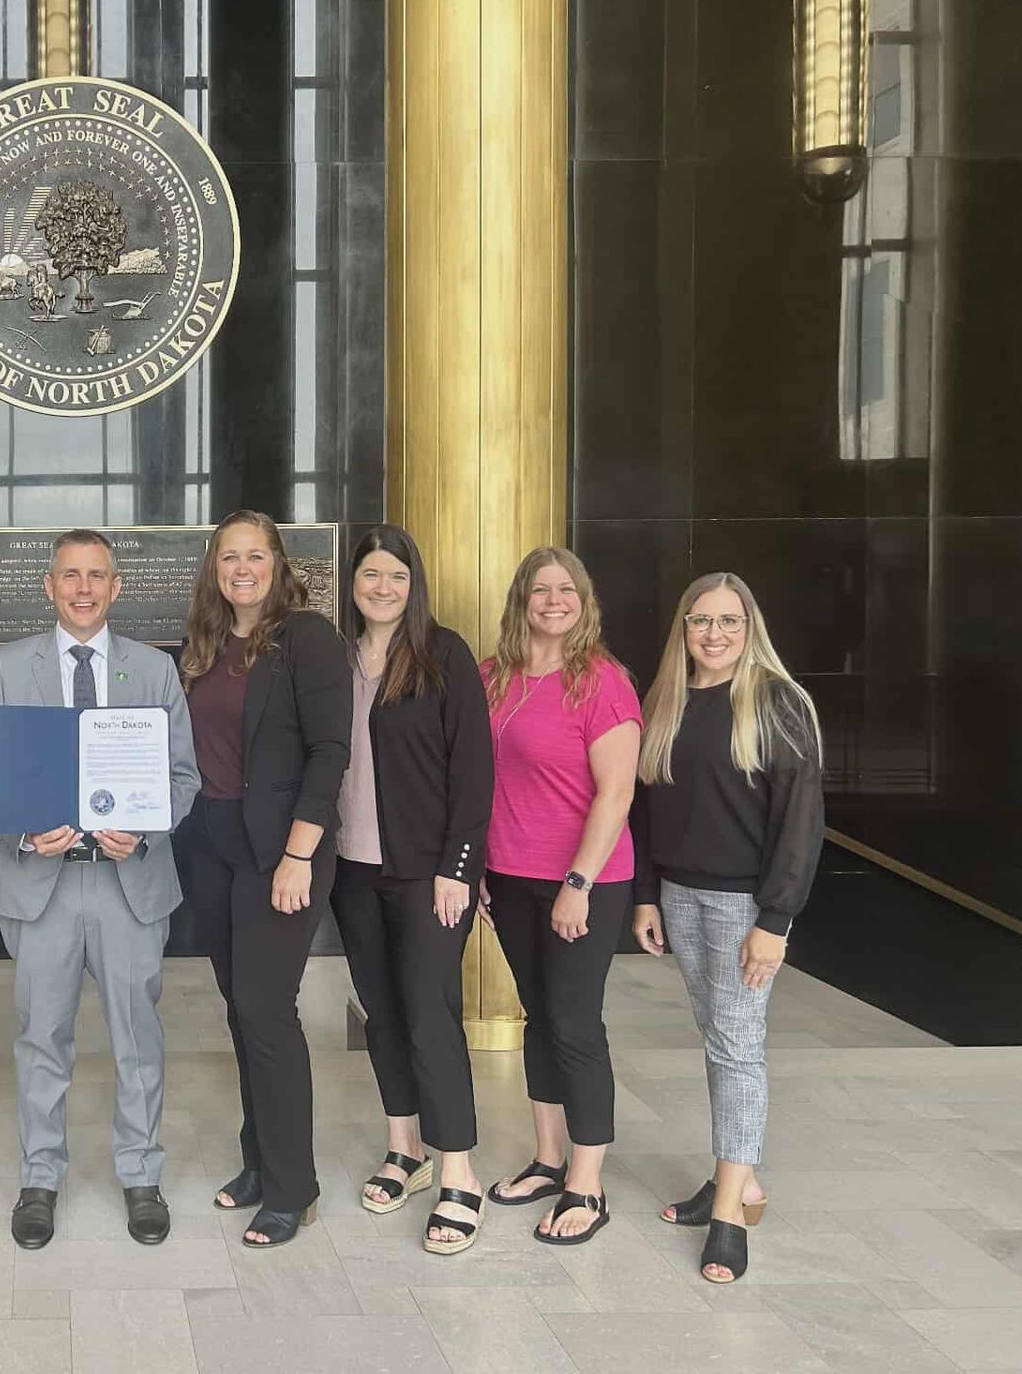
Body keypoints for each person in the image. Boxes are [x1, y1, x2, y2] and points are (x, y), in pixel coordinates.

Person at [0, 530, 201, 1251]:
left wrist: (148, 830)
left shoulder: (155, 669)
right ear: (50, 586)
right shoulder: (7, 667)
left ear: (117, 586)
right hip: (42, 885)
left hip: (130, 883)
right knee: (42, 1038)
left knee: (139, 1038)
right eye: (71, 575)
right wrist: (25, 837)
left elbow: (183, 777)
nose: (84, 588)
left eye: (97, 575)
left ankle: (141, 1175)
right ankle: (39, 1177)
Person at [630, 573, 823, 1284]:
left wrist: (775, 921)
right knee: (718, 1038)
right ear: (683, 629)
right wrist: (647, 897)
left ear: (751, 628)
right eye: (700, 621)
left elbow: (801, 823)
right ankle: (736, 1179)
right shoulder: (670, 700)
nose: (714, 635)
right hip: (680, 897)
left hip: (744, 906)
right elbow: (649, 811)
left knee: (738, 1047)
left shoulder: (776, 702)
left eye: (729, 622)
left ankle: (730, 1217)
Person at [175, 510, 350, 1249]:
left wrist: (299, 856)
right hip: (211, 845)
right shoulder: (206, 644)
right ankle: (260, 1159)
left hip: (284, 851)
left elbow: (330, 751)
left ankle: (293, 1187)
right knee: (240, 1008)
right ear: (214, 568)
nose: (241, 568)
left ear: (279, 564)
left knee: (268, 1010)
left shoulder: (308, 638)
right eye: (228, 557)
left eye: (255, 556)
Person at [329, 525, 493, 1254]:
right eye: (370, 573)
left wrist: (459, 868)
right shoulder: (335, 658)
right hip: (352, 870)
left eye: (396, 574)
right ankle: (407, 1151)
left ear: (412, 581)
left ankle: (460, 1170)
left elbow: (475, 772)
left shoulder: (443, 655)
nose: (383, 586)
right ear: (353, 582)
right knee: (383, 1014)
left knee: (430, 1015)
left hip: (428, 873)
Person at [479, 546, 641, 1246]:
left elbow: (617, 793)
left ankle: (587, 1180)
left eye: (566, 589)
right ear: (521, 600)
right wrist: (479, 864)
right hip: (509, 877)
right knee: (536, 1017)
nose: (554, 600)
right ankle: (548, 1158)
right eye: (540, 589)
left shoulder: (601, 682)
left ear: (584, 600)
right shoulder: (493, 677)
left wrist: (576, 883)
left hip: (585, 881)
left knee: (575, 1023)